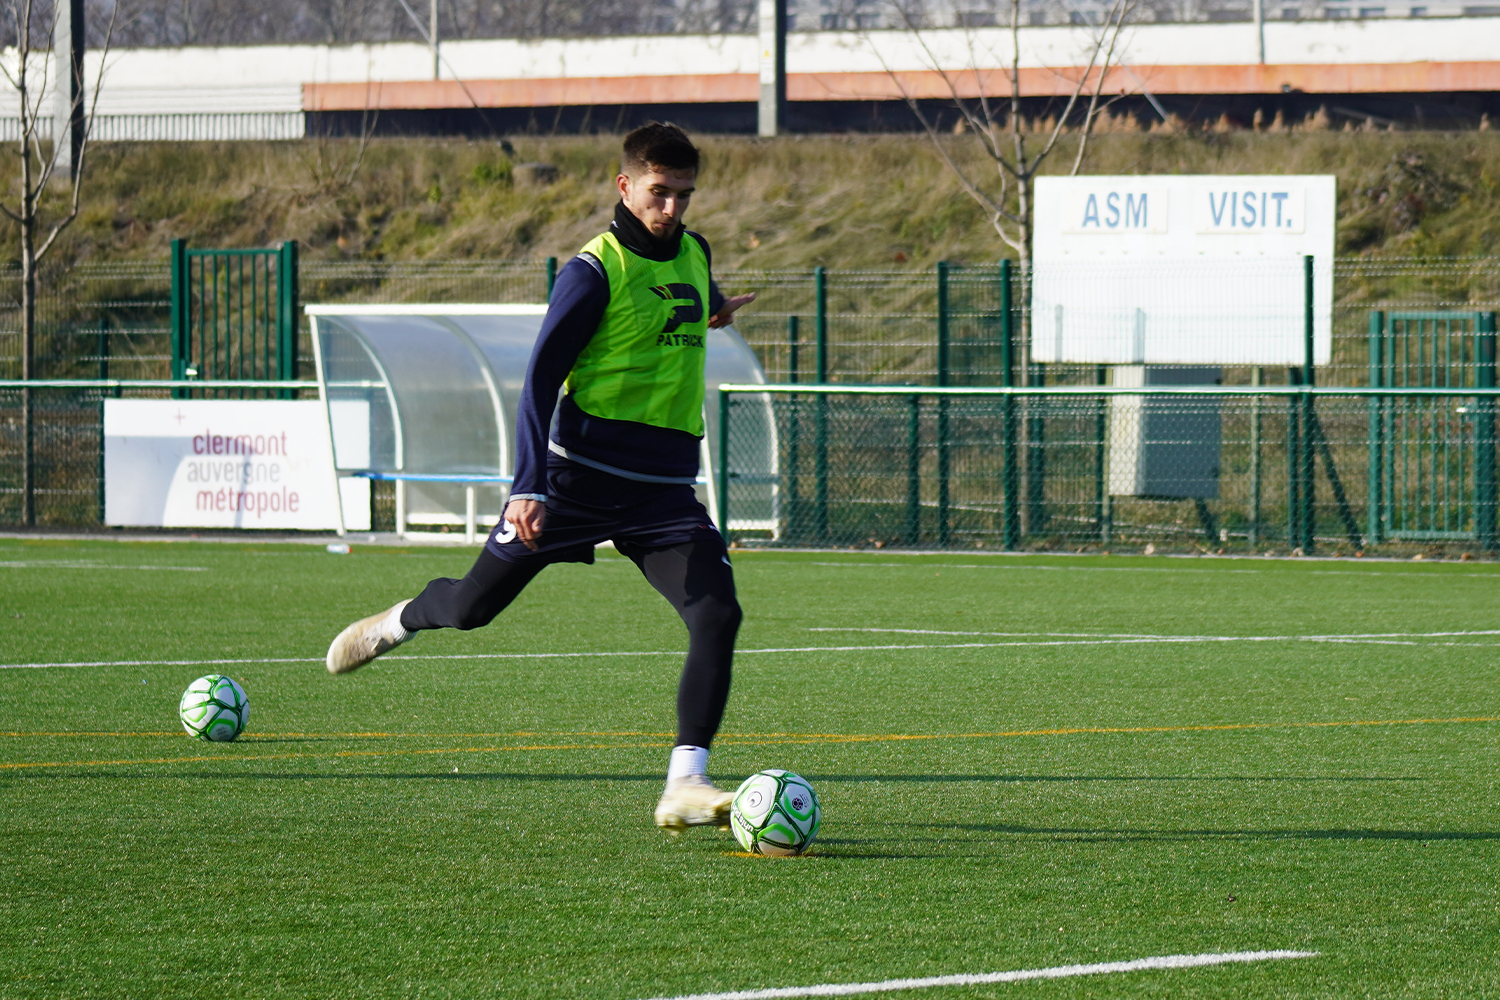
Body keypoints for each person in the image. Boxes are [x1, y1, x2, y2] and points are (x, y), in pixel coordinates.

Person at [324, 122, 756, 834]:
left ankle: (686, 779)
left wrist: (714, 310)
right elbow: (538, 383)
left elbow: (689, 298)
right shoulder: (591, 273)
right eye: (659, 193)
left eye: (685, 194)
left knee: (718, 614)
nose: (673, 208)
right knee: (471, 609)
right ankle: (399, 621)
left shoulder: (694, 249)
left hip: (662, 492)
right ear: (625, 186)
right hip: (574, 483)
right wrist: (527, 485)